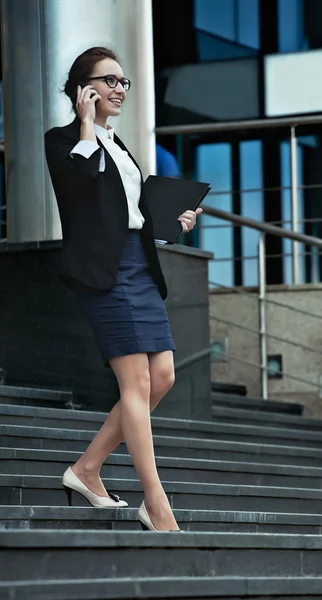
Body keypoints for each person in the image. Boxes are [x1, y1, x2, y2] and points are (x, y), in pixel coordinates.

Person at [44, 47, 202, 532]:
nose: (118, 89)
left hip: (138, 264)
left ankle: (87, 468)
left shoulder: (120, 146)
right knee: (134, 385)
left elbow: (124, 214)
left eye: (122, 81)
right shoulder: (64, 141)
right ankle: (155, 503)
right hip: (104, 275)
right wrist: (85, 123)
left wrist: (171, 225)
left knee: (164, 378)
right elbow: (82, 189)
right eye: (107, 81)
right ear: (83, 89)